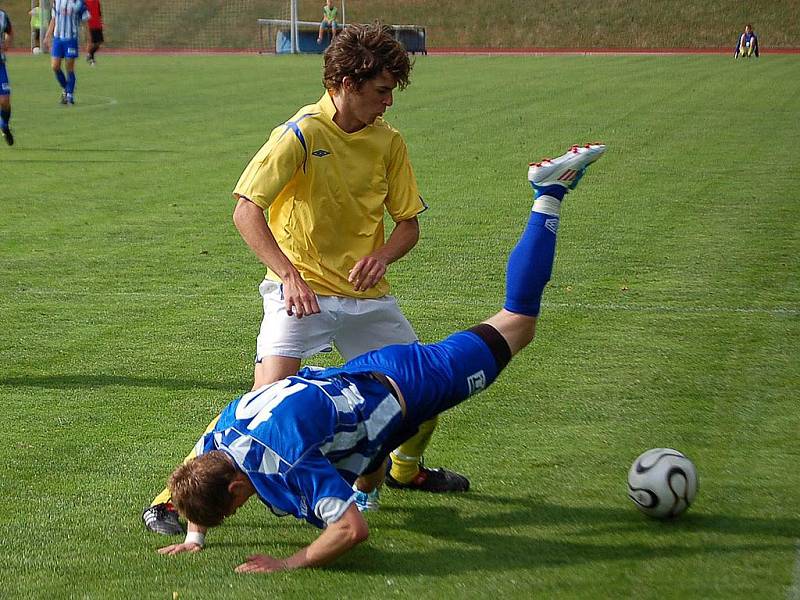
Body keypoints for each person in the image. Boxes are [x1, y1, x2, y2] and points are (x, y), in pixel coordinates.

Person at [156, 143, 607, 573]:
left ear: (237, 487)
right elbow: (204, 468)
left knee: (518, 321)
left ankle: (547, 194)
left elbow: (351, 531)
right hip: (361, 378)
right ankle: (377, 482)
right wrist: (194, 537)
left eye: (235, 507)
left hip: (413, 383)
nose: (241, 508)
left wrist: (289, 562)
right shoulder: (228, 426)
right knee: (359, 439)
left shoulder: (286, 460)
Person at [143, 22, 467, 536]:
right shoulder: (299, 133)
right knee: (261, 400)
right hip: (302, 294)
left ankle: (404, 470)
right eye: (381, 91)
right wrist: (288, 275)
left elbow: (408, 226)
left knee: (430, 388)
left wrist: (383, 256)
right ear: (345, 82)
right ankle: (171, 502)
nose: (388, 103)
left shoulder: (389, 142)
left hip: (365, 297)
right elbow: (247, 210)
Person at [42, 0, 89, 105]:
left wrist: (88, 39)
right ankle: (67, 88)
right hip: (58, 38)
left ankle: (69, 95)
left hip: (71, 39)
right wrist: (48, 35)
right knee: (55, 66)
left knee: (69, 68)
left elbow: (85, 21)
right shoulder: (57, 1)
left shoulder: (79, 3)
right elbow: (54, 19)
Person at [0, 6, 13, 146]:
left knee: (4, 101)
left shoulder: (2, 15)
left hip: (0, 64)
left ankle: (4, 125)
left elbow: (9, 32)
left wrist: (6, 44)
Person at [83, 0, 102, 65]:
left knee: (99, 43)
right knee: (91, 42)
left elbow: (99, 13)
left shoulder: (97, 1)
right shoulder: (85, 2)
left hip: (98, 24)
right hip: (90, 25)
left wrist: (101, 22)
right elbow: (83, 13)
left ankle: (89, 55)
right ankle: (91, 60)